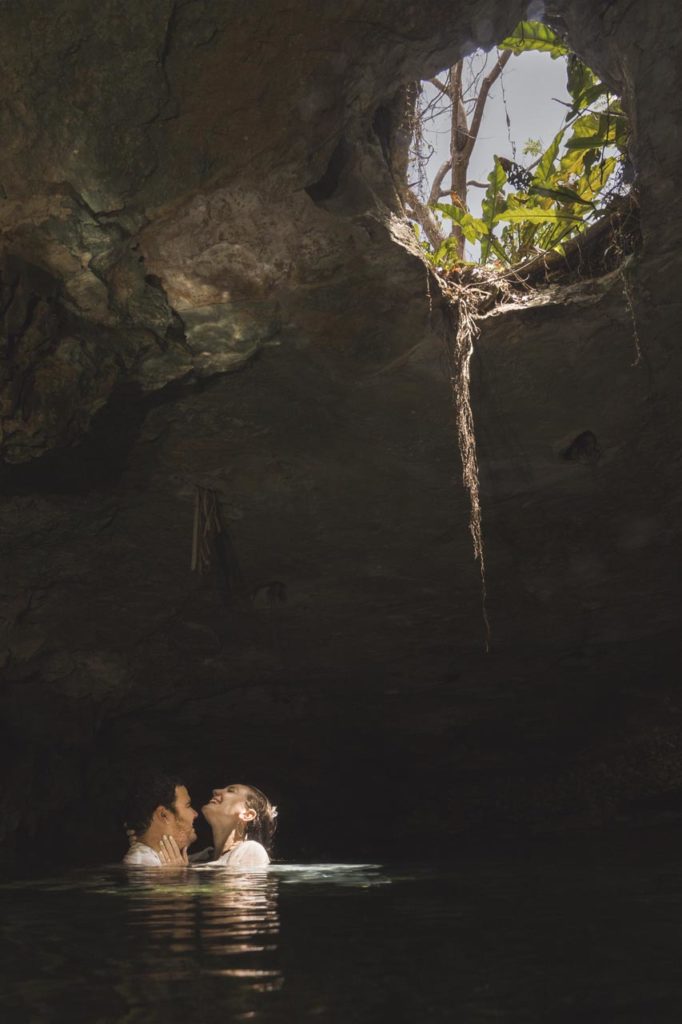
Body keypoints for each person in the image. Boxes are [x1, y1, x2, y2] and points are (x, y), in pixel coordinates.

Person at [156, 784, 277, 869]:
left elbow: (230, 897)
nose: (215, 790)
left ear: (247, 815)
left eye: (231, 790)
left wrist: (177, 876)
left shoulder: (252, 850)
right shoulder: (200, 857)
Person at [123, 773, 198, 866]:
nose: (195, 814)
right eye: (188, 805)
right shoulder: (144, 864)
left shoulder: (149, 859)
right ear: (163, 815)